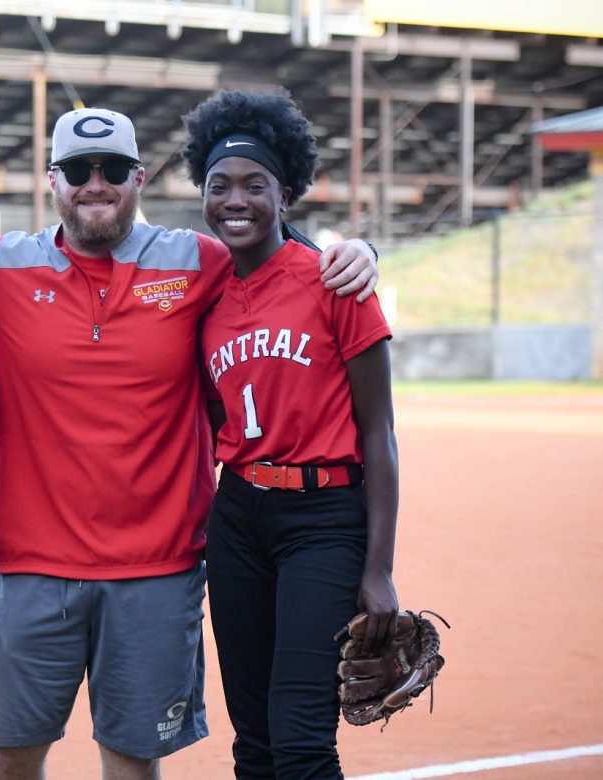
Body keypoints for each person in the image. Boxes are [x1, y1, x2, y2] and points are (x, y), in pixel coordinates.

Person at [0, 106, 379, 780]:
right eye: (77, 170)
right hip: (30, 566)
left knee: (133, 762)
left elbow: (276, 256)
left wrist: (358, 251)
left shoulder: (199, 261)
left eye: (111, 171)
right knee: (14, 756)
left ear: (138, 178)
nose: (93, 184)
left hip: (159, 569)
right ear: (52, 180)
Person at [180, 88, 398, 779]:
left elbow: (381, 434)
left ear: (285, 195)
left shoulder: (335, 282)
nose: (235, 199)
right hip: (239, 515)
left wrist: (379, 568)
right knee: (255, 745)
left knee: (303, 742)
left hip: (323, 520)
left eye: (255, 185)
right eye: (220, 186)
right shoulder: (203, 291)